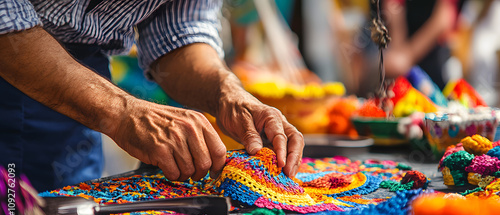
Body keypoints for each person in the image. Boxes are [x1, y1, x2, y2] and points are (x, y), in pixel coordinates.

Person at [0, 0, 304, 192]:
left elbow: (179, 29)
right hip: (17, 58)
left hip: (80, 80)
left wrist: (227, 92)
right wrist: (122, 111)